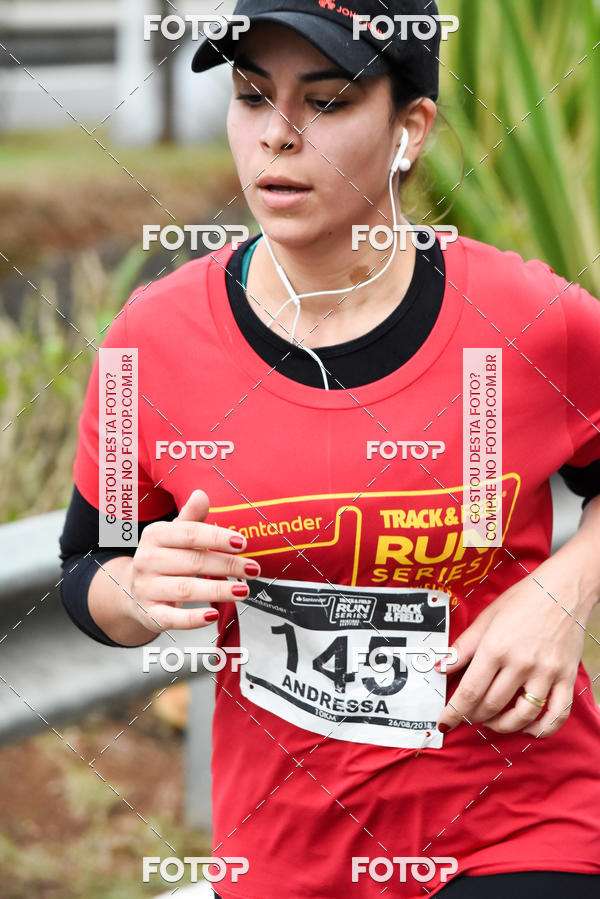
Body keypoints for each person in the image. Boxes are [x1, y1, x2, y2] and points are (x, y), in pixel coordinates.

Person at [59, 1, 600, 896]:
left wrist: (565, 587)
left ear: (410, 130)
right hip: (286, 849)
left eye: (328, 101)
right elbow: (88, 569)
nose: (277, 136)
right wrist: (138, 584)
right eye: (251, 95)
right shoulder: (148, 342)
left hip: (521, 822)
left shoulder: (532, 323)